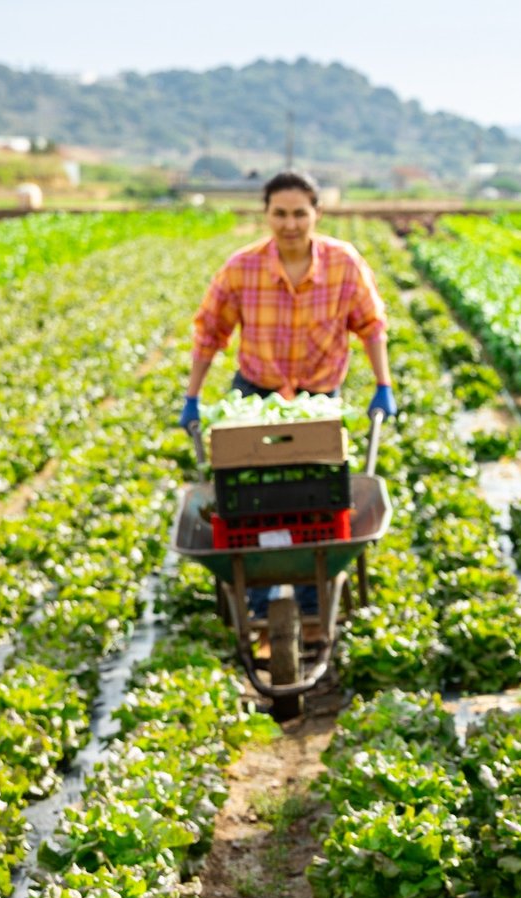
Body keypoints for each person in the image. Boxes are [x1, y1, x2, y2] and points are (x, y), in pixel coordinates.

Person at [180, 171, 397, 618]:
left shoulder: (343, 262)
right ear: (266, 214)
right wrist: (192, 396)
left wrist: (383, 385)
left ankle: (315, 603)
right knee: (250, 500)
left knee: (316, 498)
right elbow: (209, 332)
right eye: (280, 213)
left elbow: (371, 326)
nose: (291, 223)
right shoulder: (243, 266)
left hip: (319, 398)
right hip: (255, 399)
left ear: (317, 213)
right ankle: (255, 597)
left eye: (300, 213)